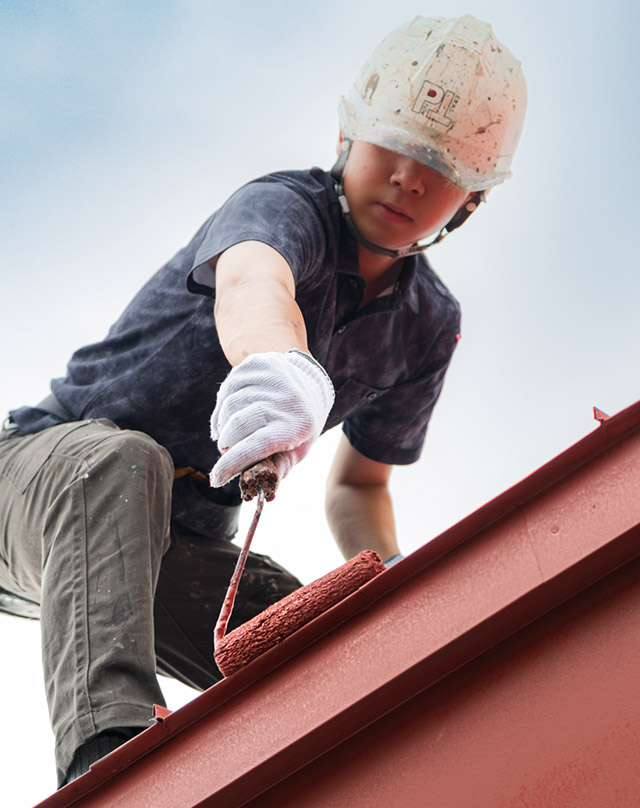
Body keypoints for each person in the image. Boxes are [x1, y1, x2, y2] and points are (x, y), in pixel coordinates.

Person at [0, 14, 526, 787]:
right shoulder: (283, 207)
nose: (408, 178)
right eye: (394, 145)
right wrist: (279, 362)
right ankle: (106, 768)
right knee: (123, 461)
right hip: (42, 486)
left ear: (472, 199)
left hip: (166, 548)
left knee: (319, 637)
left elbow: (359, 486)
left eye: (439, 166)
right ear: (347, 135)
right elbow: (253, 282)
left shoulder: (424, 326)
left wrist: (398, 582)